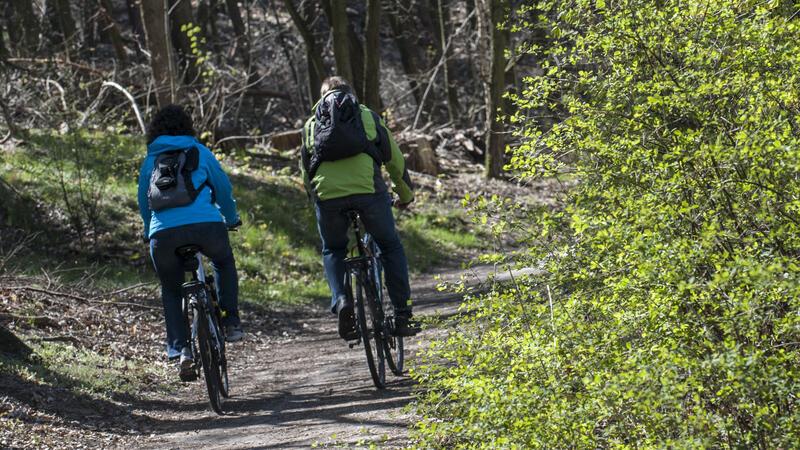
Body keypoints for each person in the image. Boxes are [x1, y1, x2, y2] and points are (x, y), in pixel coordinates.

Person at [300, 76, 420, 340]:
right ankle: (403, 314)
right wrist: (405, 194)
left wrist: (317, 200)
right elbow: (394, 160)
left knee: (333, 249)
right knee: (389, 246)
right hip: (368, 193)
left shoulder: (311, 125)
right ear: (351, 93)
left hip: (328, 197)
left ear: (321, 97)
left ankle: (342, 300)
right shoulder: (367, 116)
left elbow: (306, 173)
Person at [137, 105, 244, 380]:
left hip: (164, 236)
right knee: (222, 261)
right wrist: (231, 218)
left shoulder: (150, 160)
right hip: (206, 227)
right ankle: (231, 321)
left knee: (172, 289)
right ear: (188, 126)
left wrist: (151, 231)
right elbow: (223, 188)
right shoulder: (200, 152)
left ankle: (181, 349)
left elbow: (144, 202)